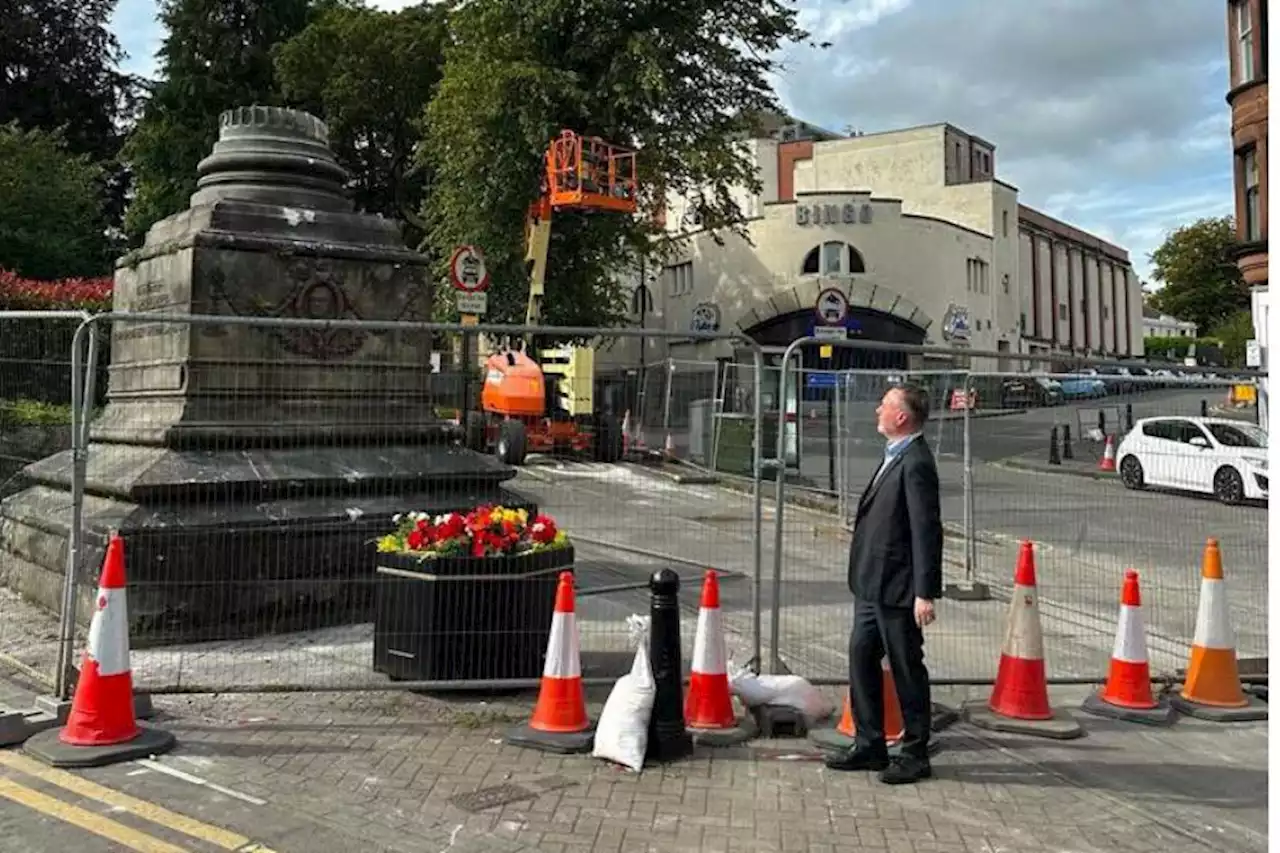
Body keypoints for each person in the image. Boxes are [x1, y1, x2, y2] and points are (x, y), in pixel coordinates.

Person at [825, 382, 943, 785]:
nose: (878, 409)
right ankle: (870, 743)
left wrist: (924, 592)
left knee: (907, 668)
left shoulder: (916, 462)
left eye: (885, 405)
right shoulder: (895, 454)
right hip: (871, 586)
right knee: (861, 656)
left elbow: (926, 530)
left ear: (902, 417)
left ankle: (914, 753)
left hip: (898, 588)